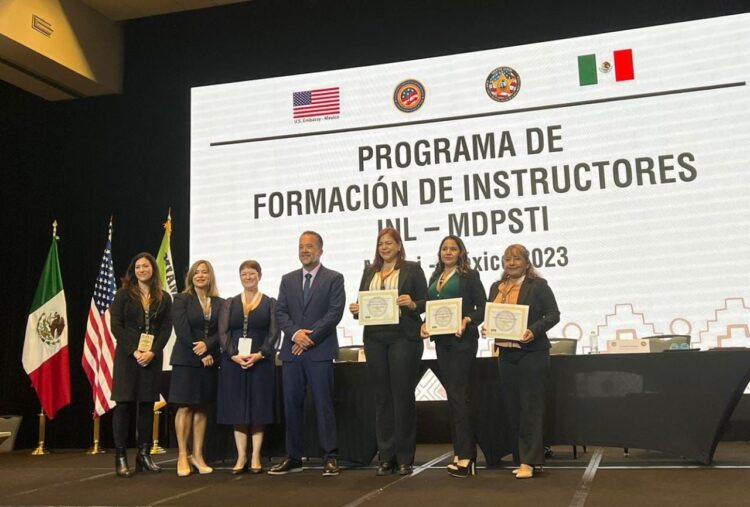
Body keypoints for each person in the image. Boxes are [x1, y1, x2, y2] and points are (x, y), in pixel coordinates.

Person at [349, 227, 427, 476]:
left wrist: (412, 304)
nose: (384, 247)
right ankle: (385, 456)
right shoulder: (369, 271)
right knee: (382, 398)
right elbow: (363, 303)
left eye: (389, 243)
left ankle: (404, 457)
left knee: (402, 396)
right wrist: (356, 309)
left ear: (399, 245)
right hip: (374, 339)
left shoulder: (412, 269)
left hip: (404, 338)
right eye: (381, 243)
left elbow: (426, 301)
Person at [269, 231, 345, 477]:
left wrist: (309, 338)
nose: (304, 250)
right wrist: (295, 334)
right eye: (301, 246)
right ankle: (294, 457)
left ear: (320, 250)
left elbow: (335, 313)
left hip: (320, 351)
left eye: (310, 246)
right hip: (292, 353)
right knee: (291, 405)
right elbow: (280, 312)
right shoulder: (287, 279)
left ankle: (330, 456)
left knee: (323, 404)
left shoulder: (334, 278)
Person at [485, 244, 560, 479]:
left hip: (532, 353)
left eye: (517, 259)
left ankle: (531, 461)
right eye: (507, 259)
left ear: (527, 263)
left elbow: (553, 314)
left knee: (530, 408)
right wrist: (487, 327)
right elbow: (493, 315)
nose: (511, 263)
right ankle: (521, 458)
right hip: (506, 354)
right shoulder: (496, 287)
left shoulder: (538, 285)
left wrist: (533, 330)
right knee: (514, 408)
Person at [419, 235, 485, 477]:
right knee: (453, 397)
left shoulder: (469, 275)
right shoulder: (435, 277)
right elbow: (432, 308)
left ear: (460, 252)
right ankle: (460, 452)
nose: (448, 252)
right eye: (444, 248)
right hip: (442, 342)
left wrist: (467, 319)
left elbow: (483, 307)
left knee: (459, 396)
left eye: (453, 249)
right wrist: (425, 323)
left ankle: (467, 455)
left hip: (462, 341)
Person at [110, 252, 173, 478]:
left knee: (147, 405)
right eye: (138, 267)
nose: (141, 270)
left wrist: (152, 352)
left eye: (145, 266)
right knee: (123, 405)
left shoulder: (164, 297)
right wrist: (134, 351)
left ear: (153, 269)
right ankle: (120, 457)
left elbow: (166, 328)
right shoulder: (123, 294)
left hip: (151, 358)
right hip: (128, 358)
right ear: (133, 271)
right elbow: (116, 326)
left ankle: (144, 456)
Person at [217, 260, 279, 474]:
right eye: (244, 274)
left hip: (260, 363)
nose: (248, 277)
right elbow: (223, 332)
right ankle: (241, 455)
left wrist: (260, 354)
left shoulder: (270, 303)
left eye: (252, 273)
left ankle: (255, 456)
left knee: (258, 409)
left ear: (259, 276)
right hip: (234, 363)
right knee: (237, 410)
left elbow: (274, 333)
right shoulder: (230, 303)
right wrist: (233, 355)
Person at [169, 260, 223, 477]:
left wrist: (208, 347)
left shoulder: (220, 302)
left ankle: (198, 456)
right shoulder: (181, 299)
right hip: (186, 360)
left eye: (204, 272)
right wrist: (200, 352)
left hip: (209, 361)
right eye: (196, 272)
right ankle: (183, 455)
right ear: (191, 277)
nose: (200, 275)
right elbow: (182, 329)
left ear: (210, 277)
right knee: (185, 407)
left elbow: (222, 331)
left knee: (201, 408)